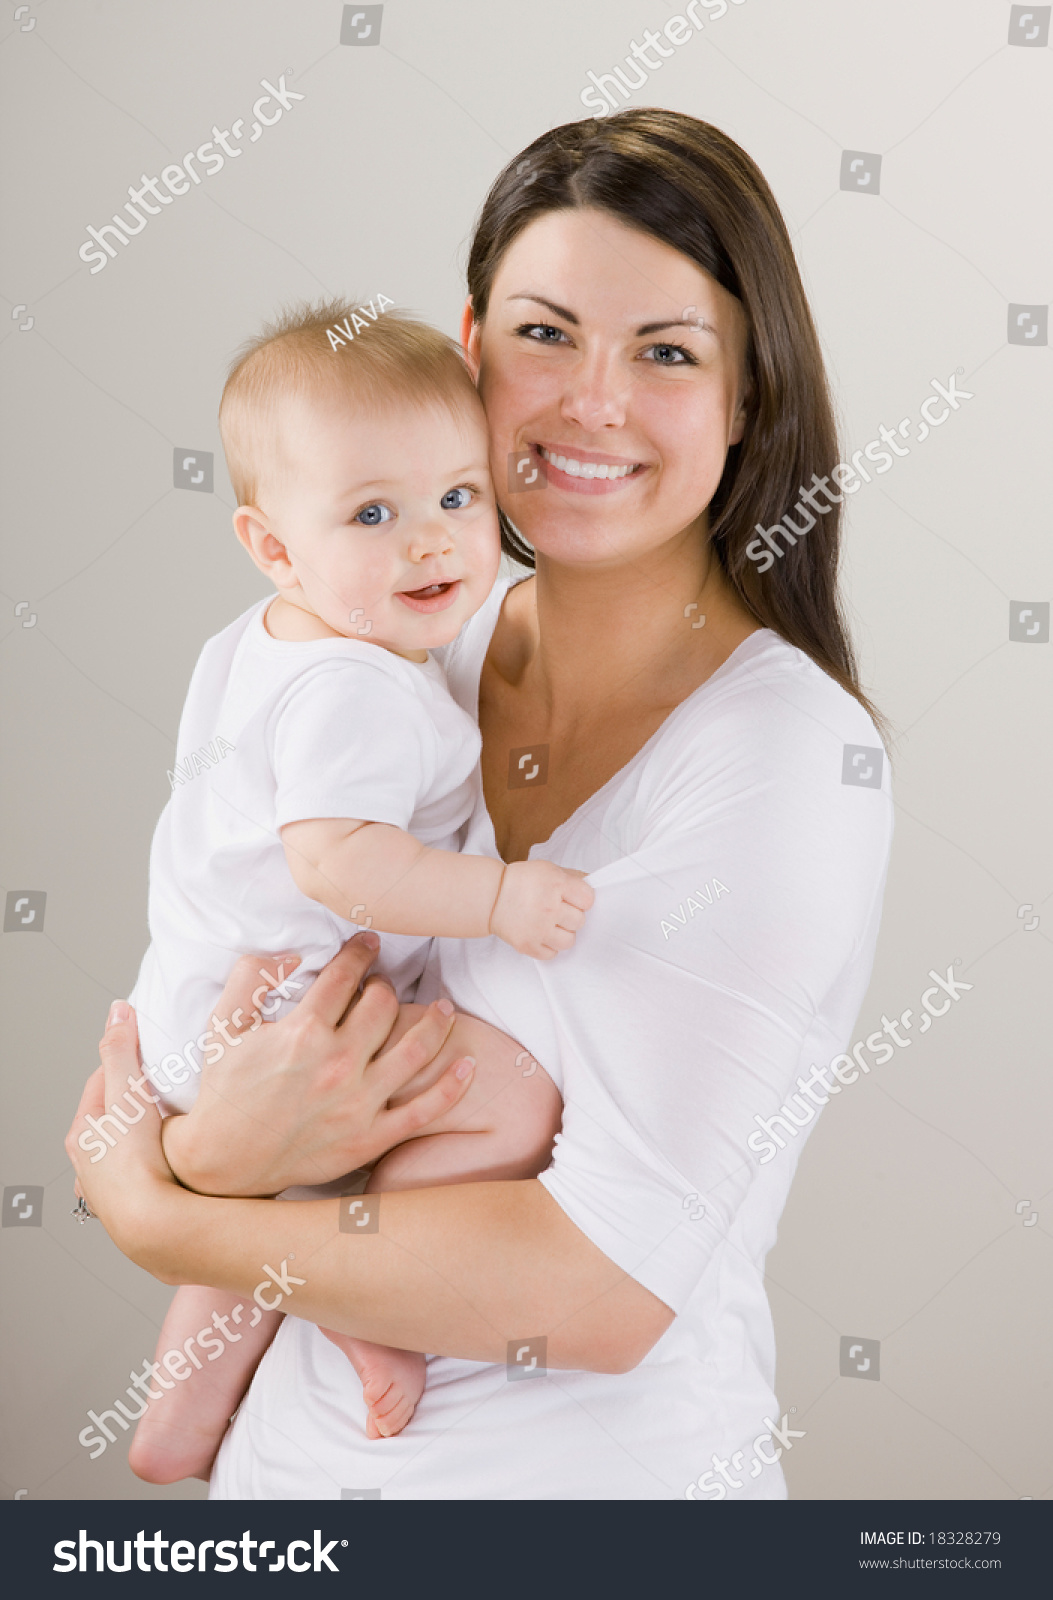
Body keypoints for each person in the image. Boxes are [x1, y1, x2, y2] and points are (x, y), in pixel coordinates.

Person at [68, 108, 893, 1500]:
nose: (593, 402)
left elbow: (599, 1290)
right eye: (546, 334)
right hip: (277, 1494)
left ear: (750, 396)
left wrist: (168, 1209)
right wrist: (206, 1151)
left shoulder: (784, 760)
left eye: (669, 353)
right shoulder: (389, 638)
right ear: (470, 352)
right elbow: (127, 1078)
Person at [122, 305, 590, 1473]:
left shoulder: (262, 641)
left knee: (261, 1217)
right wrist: (497, 899)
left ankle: (175, 1424)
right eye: (373, 514)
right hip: (286, 1028)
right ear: (275, 546)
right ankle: (370, 1302)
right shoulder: (359, 691)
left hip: (202, 1013)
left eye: (457, 497)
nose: (430, 542)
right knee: (505, 1107)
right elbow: (338, 860)